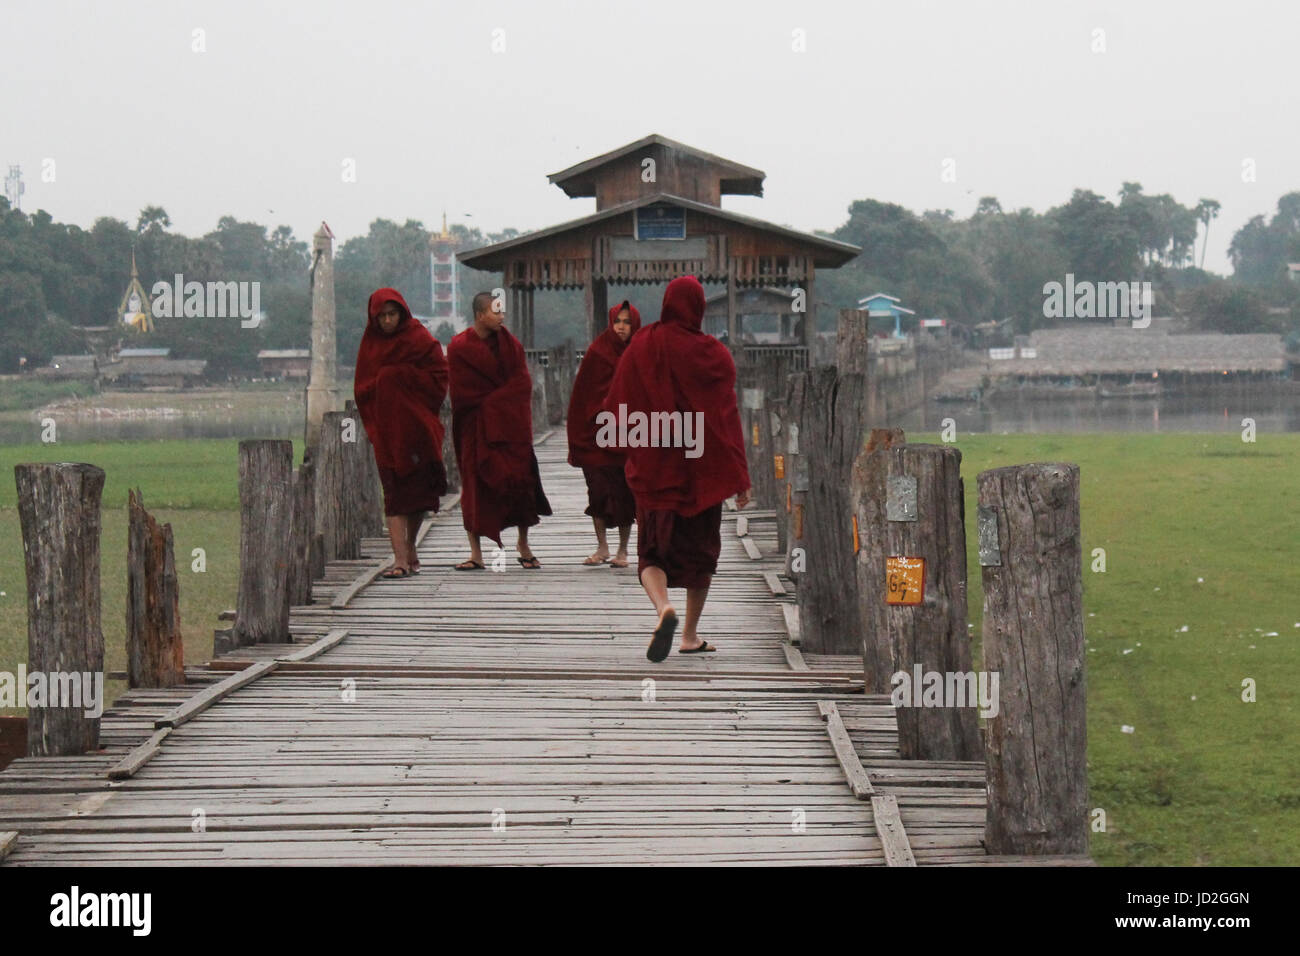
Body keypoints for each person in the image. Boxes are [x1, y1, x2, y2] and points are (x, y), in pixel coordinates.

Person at [604, 275, 751, 662]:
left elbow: (619, 403)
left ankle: (662, 607)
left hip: (654, 468)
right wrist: (740, 476)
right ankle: (688, 634)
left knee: (651, 553)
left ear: (666, 303)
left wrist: (625, 445)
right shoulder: (713, 354)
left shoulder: (641, 345)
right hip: (703, 472)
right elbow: (726, 418)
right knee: (701, 555)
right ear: (700, 308)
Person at [448, 291, 552, 570]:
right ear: (480, 315)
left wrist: (495, 403)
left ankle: (523, 543)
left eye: (502, 311)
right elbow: (461, 391)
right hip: (474, 427)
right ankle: (476, 553)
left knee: (520, 480)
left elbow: (522, 383)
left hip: (509, 425)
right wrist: (489, 404)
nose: (502, 316)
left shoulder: (511, 345)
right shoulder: (459, 347)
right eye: (496, 311)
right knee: (474, 484)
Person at [354, 288, 449, 579]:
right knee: (394, 494)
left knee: (418, 494)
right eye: (381, 316)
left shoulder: (418, 338)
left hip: (417, 429)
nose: (387, 321)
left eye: (392, 314)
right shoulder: (370, 346)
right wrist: (385, 382)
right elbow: (362, 388)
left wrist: (399, 377)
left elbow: (440, 376)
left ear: (402, 313)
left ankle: (409, 545)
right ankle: (399, 560)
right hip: (386, 432)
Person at [567, 299, 642, 568]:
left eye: (627, 323)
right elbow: (582, 395)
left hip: (627, 434)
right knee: (596, 491)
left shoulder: (639, 353)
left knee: (625, 493)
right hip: (595, 434)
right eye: (617, 322)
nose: (621, 327)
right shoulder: (597, 352)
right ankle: (601, 547)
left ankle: (623, 550)